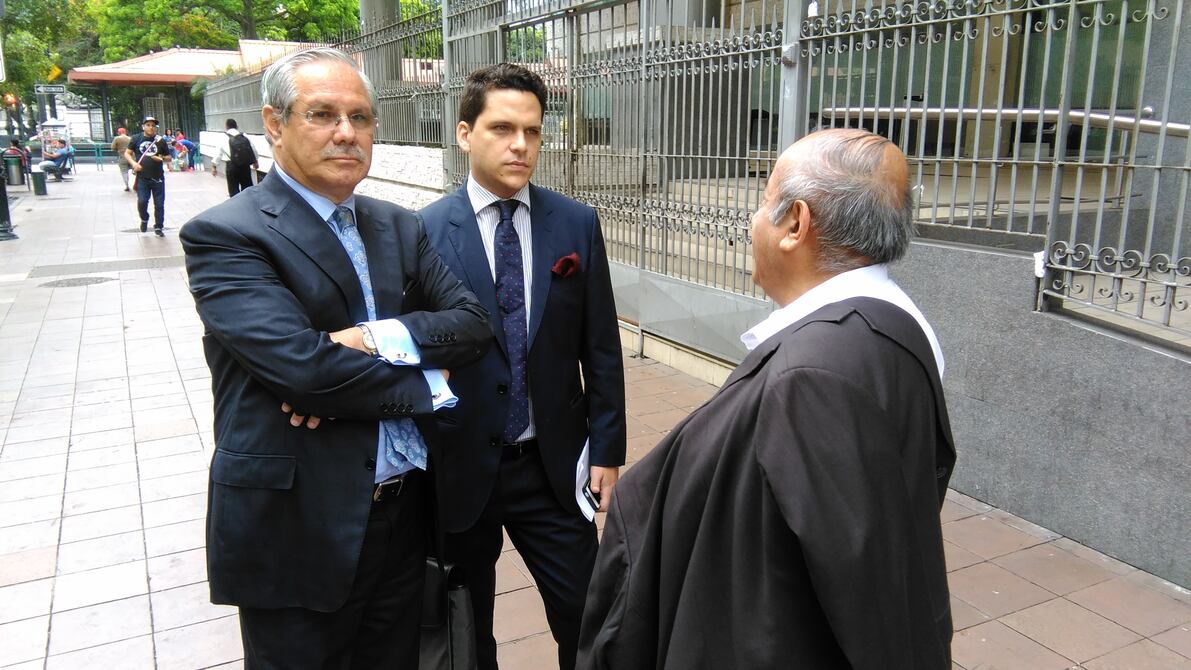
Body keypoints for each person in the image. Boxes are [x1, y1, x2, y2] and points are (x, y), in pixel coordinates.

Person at [577, 128, 957, 669]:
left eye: (762, 202)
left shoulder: (815, 377)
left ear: (796, 224)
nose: (752, 220)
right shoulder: (893, 325)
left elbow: (856, 582)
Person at [179, 46, 491, 669]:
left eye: (361, 117)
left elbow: (474, 325)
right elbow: (307, 370)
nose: (346, 133)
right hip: (298, 524)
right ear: (274, 124)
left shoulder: (399, 225)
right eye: (322, 114)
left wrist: (371, 338)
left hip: (404, 512)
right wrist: (430, 381)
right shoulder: (228, 233)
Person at [420, 63, 626, 670]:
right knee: (466, 626)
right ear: (465, 133)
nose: (521, 145)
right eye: (503, 128)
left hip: (551, 464)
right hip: (461, 464)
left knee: (589, 617)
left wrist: (607, 449)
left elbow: (601, 346)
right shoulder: (425, 232)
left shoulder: (576, 223)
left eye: (533, 131)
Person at [124, 115, 172, 236]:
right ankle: (144, 219)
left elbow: (169, 157)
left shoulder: (160, 141)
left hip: (158, 178)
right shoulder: (136, 138)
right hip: (142, 178)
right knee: (142, 201)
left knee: (159, 204)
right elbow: (127, 153)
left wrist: (161, 158)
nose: (151, 127)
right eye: (148, 125)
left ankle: (159, 227)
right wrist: (134, 164)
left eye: (153, 125)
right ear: (143, 126)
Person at [213, 118, 258, 196]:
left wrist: (214, 166)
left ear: (226, 127)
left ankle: (237, 203)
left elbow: (218, 153)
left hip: (231, 166)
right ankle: (247, 202)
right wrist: (255, 161)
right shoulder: (244, 136)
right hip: (245, 166)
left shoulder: (223, 137)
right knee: (247, 189)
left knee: (233, 190)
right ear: (237, 126)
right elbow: (252, 148)